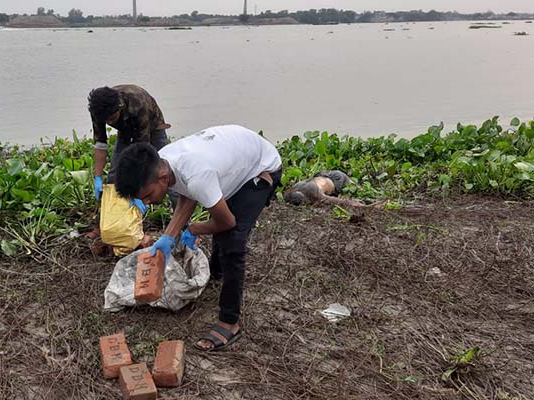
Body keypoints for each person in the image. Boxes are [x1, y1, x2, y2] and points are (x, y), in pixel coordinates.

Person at [114, 125, 282, 351]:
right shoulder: (164, 160)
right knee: (220, 224)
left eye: (147, 196)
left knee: (233, 241)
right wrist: (168, 237)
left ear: (162, 178)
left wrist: (193, 229)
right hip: (233, 160)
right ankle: (217, 273)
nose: (147, 203)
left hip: (261, 168)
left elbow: (226, 221)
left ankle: (229, 322)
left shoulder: (197, 175)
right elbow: (187, 195)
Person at [88, 85, 171, 200]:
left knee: (166, 171)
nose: (109, 122)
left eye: (112, 118)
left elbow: (142, 151)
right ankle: (117, 211)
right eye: (106, 121)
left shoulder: (138, 104)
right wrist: (97, 177)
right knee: (114, 176)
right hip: (125, 129)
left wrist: (136, 191)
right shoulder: (98, 111)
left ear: (119, 107)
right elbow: (100, 144)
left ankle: (180, 213)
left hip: (152, 126)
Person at [283, 170, 367, 208]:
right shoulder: (288, 193)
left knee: (355, 187)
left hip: (338, 180)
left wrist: (364, 206)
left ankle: (357, 185)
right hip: (320, 175)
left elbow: (340, 201)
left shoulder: (313, 193)